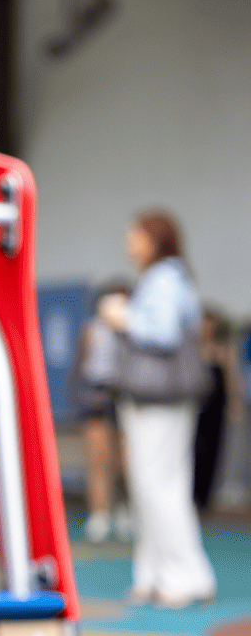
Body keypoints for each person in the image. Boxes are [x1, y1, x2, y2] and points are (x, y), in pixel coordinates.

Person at [97, 210, 217, 607]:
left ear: (155, 239)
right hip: (162, 402)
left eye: (135, 236)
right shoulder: (171, 277)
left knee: (158, 486)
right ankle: (156, 574)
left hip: (158, 403)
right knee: (158, 486)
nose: (129, 244)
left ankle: (183, 576)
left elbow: (163, 333)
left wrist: (123, 317)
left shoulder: (164, 278)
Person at [69, 282, 133, 543]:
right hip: (95, 394)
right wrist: (78, 396)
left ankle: (124, 509)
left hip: (124, 394)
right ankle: (99, 514)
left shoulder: (133, 327)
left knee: (123, 460)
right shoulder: (91, 329)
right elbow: (80, 365)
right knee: (98, 457)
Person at [193, 308, 238, 509]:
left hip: (215, 407)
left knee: (213, 449)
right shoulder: (192, 347)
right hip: (195, 405)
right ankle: (189, 493)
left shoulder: (224, 348)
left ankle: (204, 496)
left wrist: (234, 405)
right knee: (193, 449)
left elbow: (231, 378)